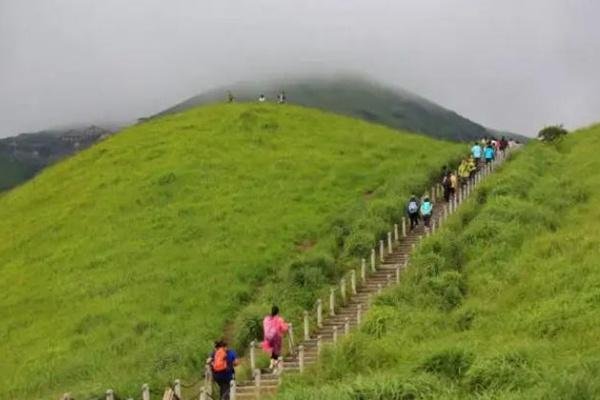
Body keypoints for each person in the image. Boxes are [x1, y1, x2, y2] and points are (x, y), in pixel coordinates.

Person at [262, 306, 289, 372]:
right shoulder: (279, 319)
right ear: (278, 312)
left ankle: (271, 364)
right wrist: (287, 326)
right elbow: (283, 328)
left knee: (273, 352)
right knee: (277, 353)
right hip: (276, 338)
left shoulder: (267, 319)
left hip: (268, 338)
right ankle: (276, 369)